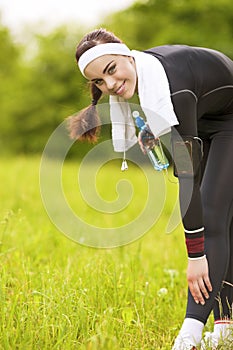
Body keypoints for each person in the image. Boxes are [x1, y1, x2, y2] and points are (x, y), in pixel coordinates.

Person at [68, 28, 233, 349]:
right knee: (223, 219)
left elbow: (188, 177)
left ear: (126, 54)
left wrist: (196, 254)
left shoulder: (171, 88)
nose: (110, 84)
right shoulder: (147, 74)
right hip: (209, 119)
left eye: (112, 69)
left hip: (230, 120)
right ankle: (225, 329)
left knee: (212, 213)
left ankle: (191, 333)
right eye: (100, 81)